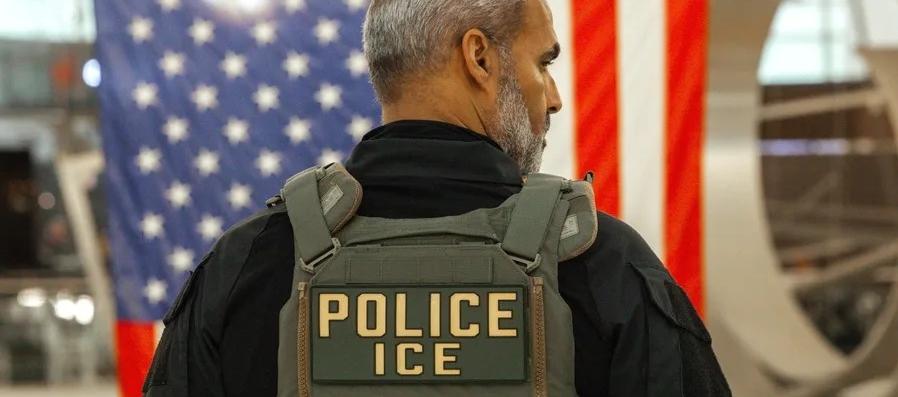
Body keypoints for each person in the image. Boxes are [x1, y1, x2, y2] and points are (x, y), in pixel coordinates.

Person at [143, 0, 731, 396]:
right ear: (479, 58)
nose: (552, 98)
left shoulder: (245, 268)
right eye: (542, 63)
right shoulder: (602, 265)